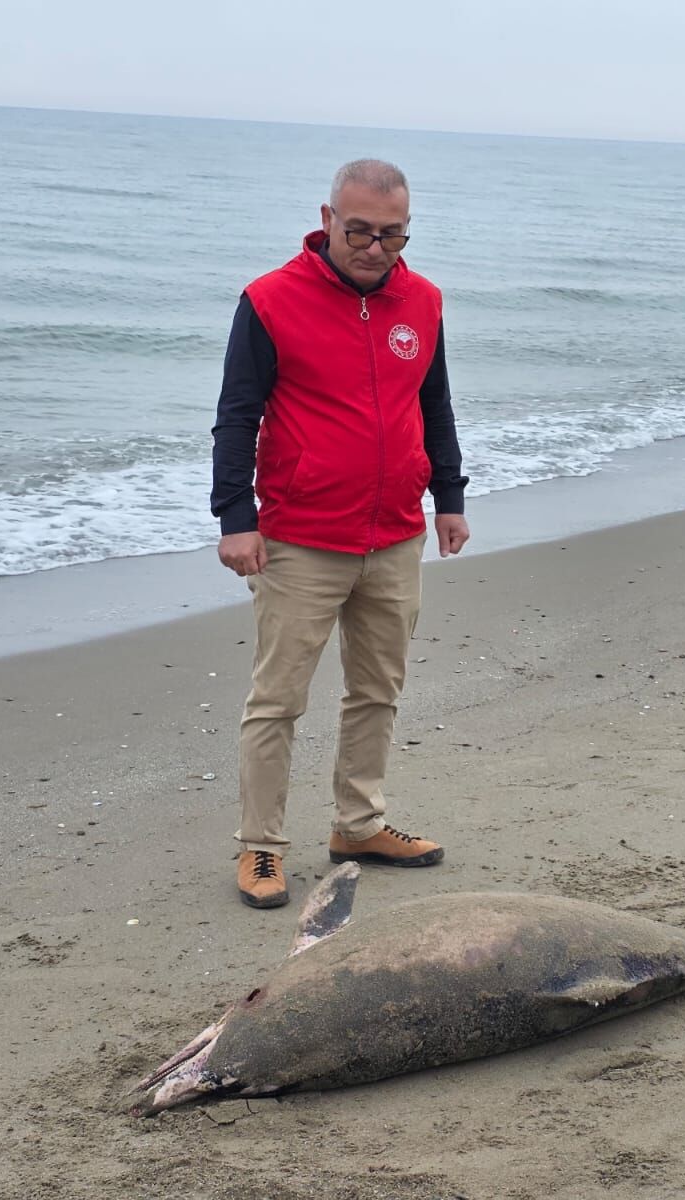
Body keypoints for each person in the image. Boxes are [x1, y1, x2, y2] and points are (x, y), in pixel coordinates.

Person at [210, 159, 470, 909]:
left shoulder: (423, 301)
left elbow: (435, 404)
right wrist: (236, 519)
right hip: (301, 538)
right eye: (358, 231)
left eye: (392, 234)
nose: (374, 248)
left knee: (377, 690)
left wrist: (449, 498)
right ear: (327, 220)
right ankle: (261, 847)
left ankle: (359, 825)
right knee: (278, 700)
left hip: (394, 534)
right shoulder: (270, 300)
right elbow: (237, 416)